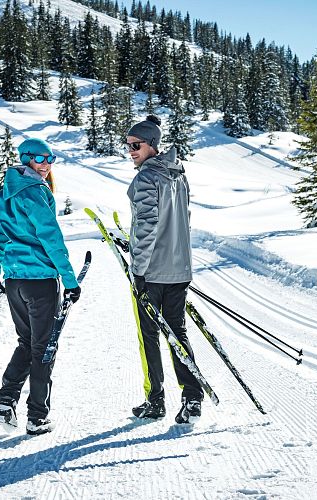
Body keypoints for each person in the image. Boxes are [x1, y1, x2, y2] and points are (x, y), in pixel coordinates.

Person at [0, 137, 81, 436]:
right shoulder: (36, 191)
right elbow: (51, 237)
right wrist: (70, 280)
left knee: (27, 343)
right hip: (39, 282)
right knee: (44, 348)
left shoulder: (7, 190)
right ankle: (37, 417)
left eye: (50, 159)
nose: (45, 165)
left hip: (15, 281)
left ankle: (5, 402)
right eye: (40, 158)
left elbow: (0, 234)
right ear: (26, 158)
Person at [125, 115, 203, 424]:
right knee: (177, 331)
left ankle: (155, 400)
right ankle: (192, 397)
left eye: (136, 145)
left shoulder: (146, 178)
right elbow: (181, 219)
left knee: (150, 335)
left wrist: (138, 271)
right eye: (128, 145)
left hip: (153, 272)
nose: (131, 150)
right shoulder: (178, 173)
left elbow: (147, 227)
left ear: (152, 146)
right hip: (179, 269)